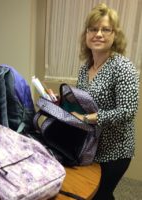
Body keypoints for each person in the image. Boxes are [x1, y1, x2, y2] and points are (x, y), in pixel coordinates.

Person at [72, 3, 139, 200]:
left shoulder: (123, 66)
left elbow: (127, 111)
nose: (98, 34)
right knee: (96, 193)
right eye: (93, 29)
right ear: (86, 34)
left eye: (105, 29)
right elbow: (82, 101)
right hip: (91, 146)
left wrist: (88, 119)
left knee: (100, 194)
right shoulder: (86, 68)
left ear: (114, 35)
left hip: (116, 150)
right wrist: (64, 101)